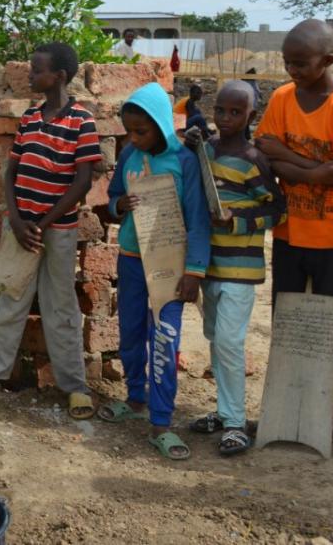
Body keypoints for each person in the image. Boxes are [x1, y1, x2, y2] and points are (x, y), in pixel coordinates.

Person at [0, 42, 100, 421]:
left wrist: (42, 224)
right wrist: (18, 222)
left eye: (37, 70)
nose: (31, 76)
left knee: (61, 305)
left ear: (60, 76)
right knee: (11, 299)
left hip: (58, 231)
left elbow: (83, 182)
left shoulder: (81, 121)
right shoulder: (31, 117)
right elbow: (12, 173)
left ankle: (75, 386)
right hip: (22, 229)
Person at [98, 82, 211, 461]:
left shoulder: (184, 162)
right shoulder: (130, 154)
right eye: (129, 131)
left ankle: (161, 421)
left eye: (141, 131)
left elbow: (198, 219)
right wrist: (119, 205)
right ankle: (135, 398)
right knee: (130, 332)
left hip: (169, 264)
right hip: (131, 258)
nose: (134, 138)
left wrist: (194, 272)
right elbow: (112, 198)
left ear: (162, 125)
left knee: (164, 339)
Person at [255, 20, 333, 359]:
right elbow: (267, 161)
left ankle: (320, 393)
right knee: (286, 325)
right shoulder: (282, 98)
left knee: (326, 330)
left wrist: (289, 157)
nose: (291, 70)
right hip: (289, 233)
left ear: (327, 61)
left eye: (301, 64)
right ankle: (284, 392)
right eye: (287, 62)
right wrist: (319, 171)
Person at [183, 82, 286, 456]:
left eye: (235, 112)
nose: (226, 118)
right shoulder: (206, 150)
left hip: (240, 269)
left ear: (250, 116)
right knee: (215, 338)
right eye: (221, 110)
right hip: (209, 264)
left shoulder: (253, 159)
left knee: (228, 341)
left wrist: (237, 220)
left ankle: (236, 423)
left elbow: (277, 210)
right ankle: (225, 411)